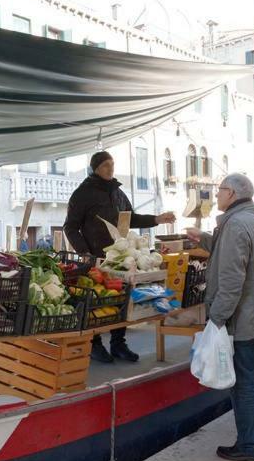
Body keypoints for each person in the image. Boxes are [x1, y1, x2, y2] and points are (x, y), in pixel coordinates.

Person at [186, 173, 254, 461]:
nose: (216, 197)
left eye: (219, 191)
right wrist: (203, 237)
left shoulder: (235, 224)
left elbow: (230, 281)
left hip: (243, 318)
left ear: (231, 193)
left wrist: (215, 321)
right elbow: (239, 256)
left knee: (244, 382)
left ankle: (250, 445)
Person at [64, 150, 176, 363]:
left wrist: (157, 218)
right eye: (106, 165)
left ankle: (118, 344)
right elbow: (70, 227)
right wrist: (85, 254)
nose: (110, 169)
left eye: (112, 164)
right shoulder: (83, 193)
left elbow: (131, 219)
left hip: (121, 257)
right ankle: (95, 344)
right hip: (96, 258)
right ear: (95, 168)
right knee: (96, 301)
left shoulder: (117, 193)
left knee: (122, 299)